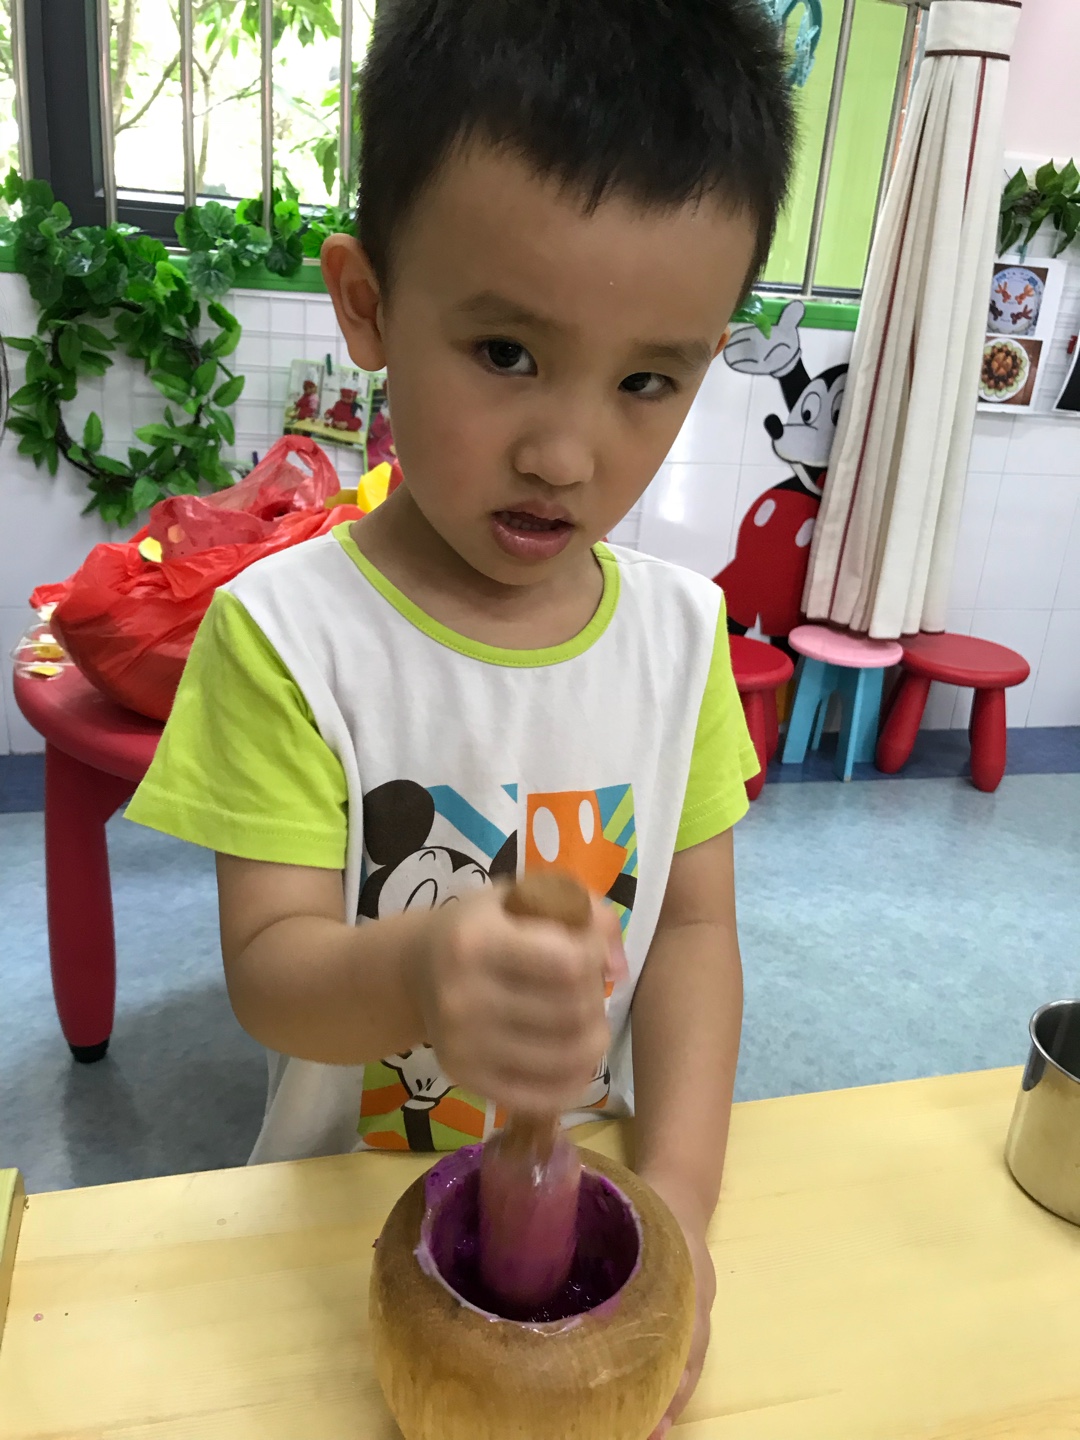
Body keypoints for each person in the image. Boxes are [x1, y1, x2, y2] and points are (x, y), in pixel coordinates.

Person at [127, 0, 794, 1430]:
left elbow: (692, 935)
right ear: (368, 305)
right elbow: (272, 973)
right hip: (335, 1227)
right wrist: (427, 971)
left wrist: (679, 1206)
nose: (565, 451)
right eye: (505, 352)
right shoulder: (288, 640)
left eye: (647, 381)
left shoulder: (682, 641)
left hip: (591, 1208)